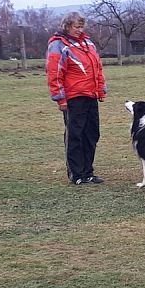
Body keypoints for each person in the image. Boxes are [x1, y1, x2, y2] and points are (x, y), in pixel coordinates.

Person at [46, 11, 107, 184]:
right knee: (75, 135)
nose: (80, 30)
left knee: (92, 134)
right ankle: (76, 174)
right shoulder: (58, 45)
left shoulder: (88, 43)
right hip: (73, 98)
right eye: (76, 27)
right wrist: (60, 98)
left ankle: (88, 171)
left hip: (91, 96)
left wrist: (101, 89)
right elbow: (54, 73)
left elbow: (97, 67)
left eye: (82, 26)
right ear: (66, 26)